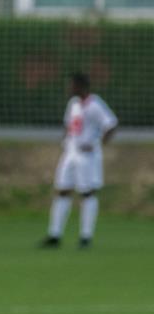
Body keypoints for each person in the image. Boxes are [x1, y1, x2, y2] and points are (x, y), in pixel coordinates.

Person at [40, 73, 118, 249]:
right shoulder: (73, 104)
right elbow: (69, 125)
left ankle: (86, 236)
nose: (69, 89)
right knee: (62, 190)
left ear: (81, 86)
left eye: (72, 85)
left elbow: (111, 124)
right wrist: (65, 141)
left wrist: (97, 143)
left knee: (87, 193)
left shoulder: (95, 104)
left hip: (87, 155)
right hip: (70, 152)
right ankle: (55, 234)